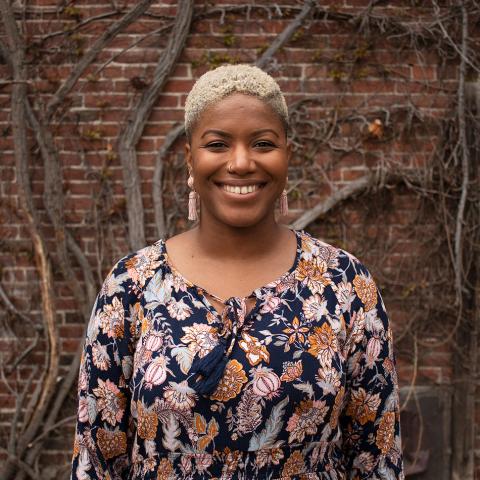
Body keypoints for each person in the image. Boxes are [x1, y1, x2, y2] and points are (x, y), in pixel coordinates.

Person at [71, 64, 404, 480]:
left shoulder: (345, 283)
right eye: (218, 144)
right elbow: (96, 461)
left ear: (287, 156)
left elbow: (377, 458)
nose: (242, 163)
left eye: (263, 143)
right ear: (190, 158)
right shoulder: (132, 286)